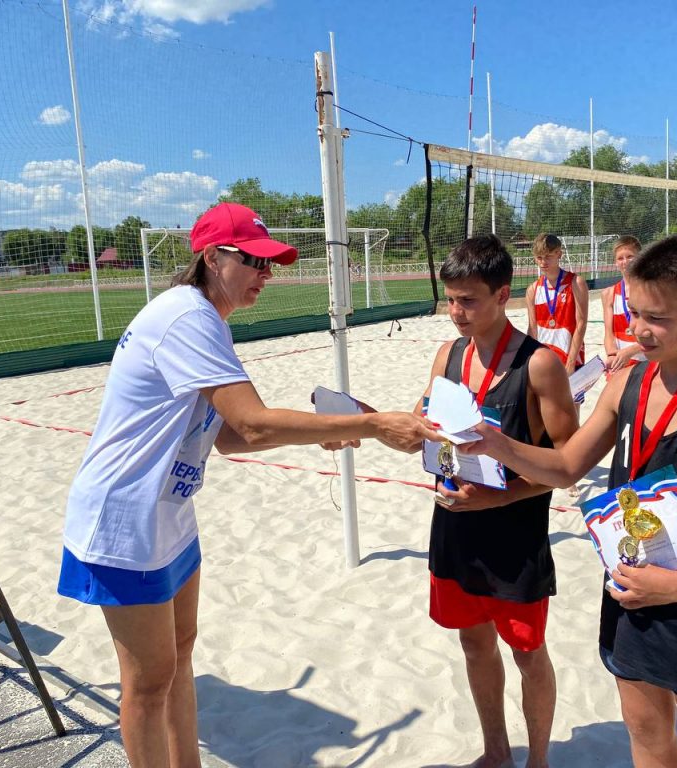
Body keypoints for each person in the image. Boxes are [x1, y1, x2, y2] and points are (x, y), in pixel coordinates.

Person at [58, 201, 439, 768]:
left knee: (180, 657)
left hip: (169, 509)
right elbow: (254, 422)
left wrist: (319, 433)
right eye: (255, 261)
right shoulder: (189, 317)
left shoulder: (204, 317)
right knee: (148, 682)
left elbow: (225, 434)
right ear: (213, 257)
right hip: (126, 517)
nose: (267, 274)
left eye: (271, 264)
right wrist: (372, 423)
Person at [463, 234, 677, 768]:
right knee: (644, 730)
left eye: (659, 318)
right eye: (635, 311)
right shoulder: (624, 383)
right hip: (633, 588)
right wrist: (498, 444)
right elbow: (568, 465)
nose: (640, 329)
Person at [414, 234, 579, 768]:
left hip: (514, 537)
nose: (456, 312)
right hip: (455, 528)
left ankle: (538, 760)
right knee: (473, 646)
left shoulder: (541, 366)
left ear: (503, 293)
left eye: (469, 300)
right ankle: (496, 752)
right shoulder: (448, 355)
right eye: (451, 299)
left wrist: (495, 499)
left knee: (529, 654)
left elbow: (566, 468)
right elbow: (432, 431)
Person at [525, 233, 587, 498]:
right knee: (542, 415)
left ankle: (570, 472)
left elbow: (581, 323)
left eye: (548, 256)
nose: (543, 262)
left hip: (570, 357)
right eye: (539, 257)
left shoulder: (576, 282)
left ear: (559, 254)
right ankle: (549, 466)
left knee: (570, 416)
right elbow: (532, 328)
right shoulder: (533, 289)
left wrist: (572, 359)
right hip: (544, 360)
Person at [601, 235, 646, 373]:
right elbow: (608, 333)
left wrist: (630, 351)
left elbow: (659, 334)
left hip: (647, 361)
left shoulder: (650, 290)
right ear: (615, 262)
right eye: (620, 258)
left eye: (630, 256)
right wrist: (612, 355)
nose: (625, 262)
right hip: (621, 363)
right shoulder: (608, 294)